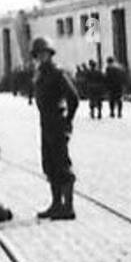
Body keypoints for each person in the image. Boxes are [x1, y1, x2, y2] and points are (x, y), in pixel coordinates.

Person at [30, 36, 78, 221]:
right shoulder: (40, 73)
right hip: (45, 124)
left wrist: (68, 120)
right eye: (38, 54)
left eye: (45, 54)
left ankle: (68, 207)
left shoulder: (57, 73)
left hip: (57, 124)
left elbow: (73, 97)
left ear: (50, 54)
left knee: (62, 166)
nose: (42, 57)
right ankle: (56, 204)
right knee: (49, 165)